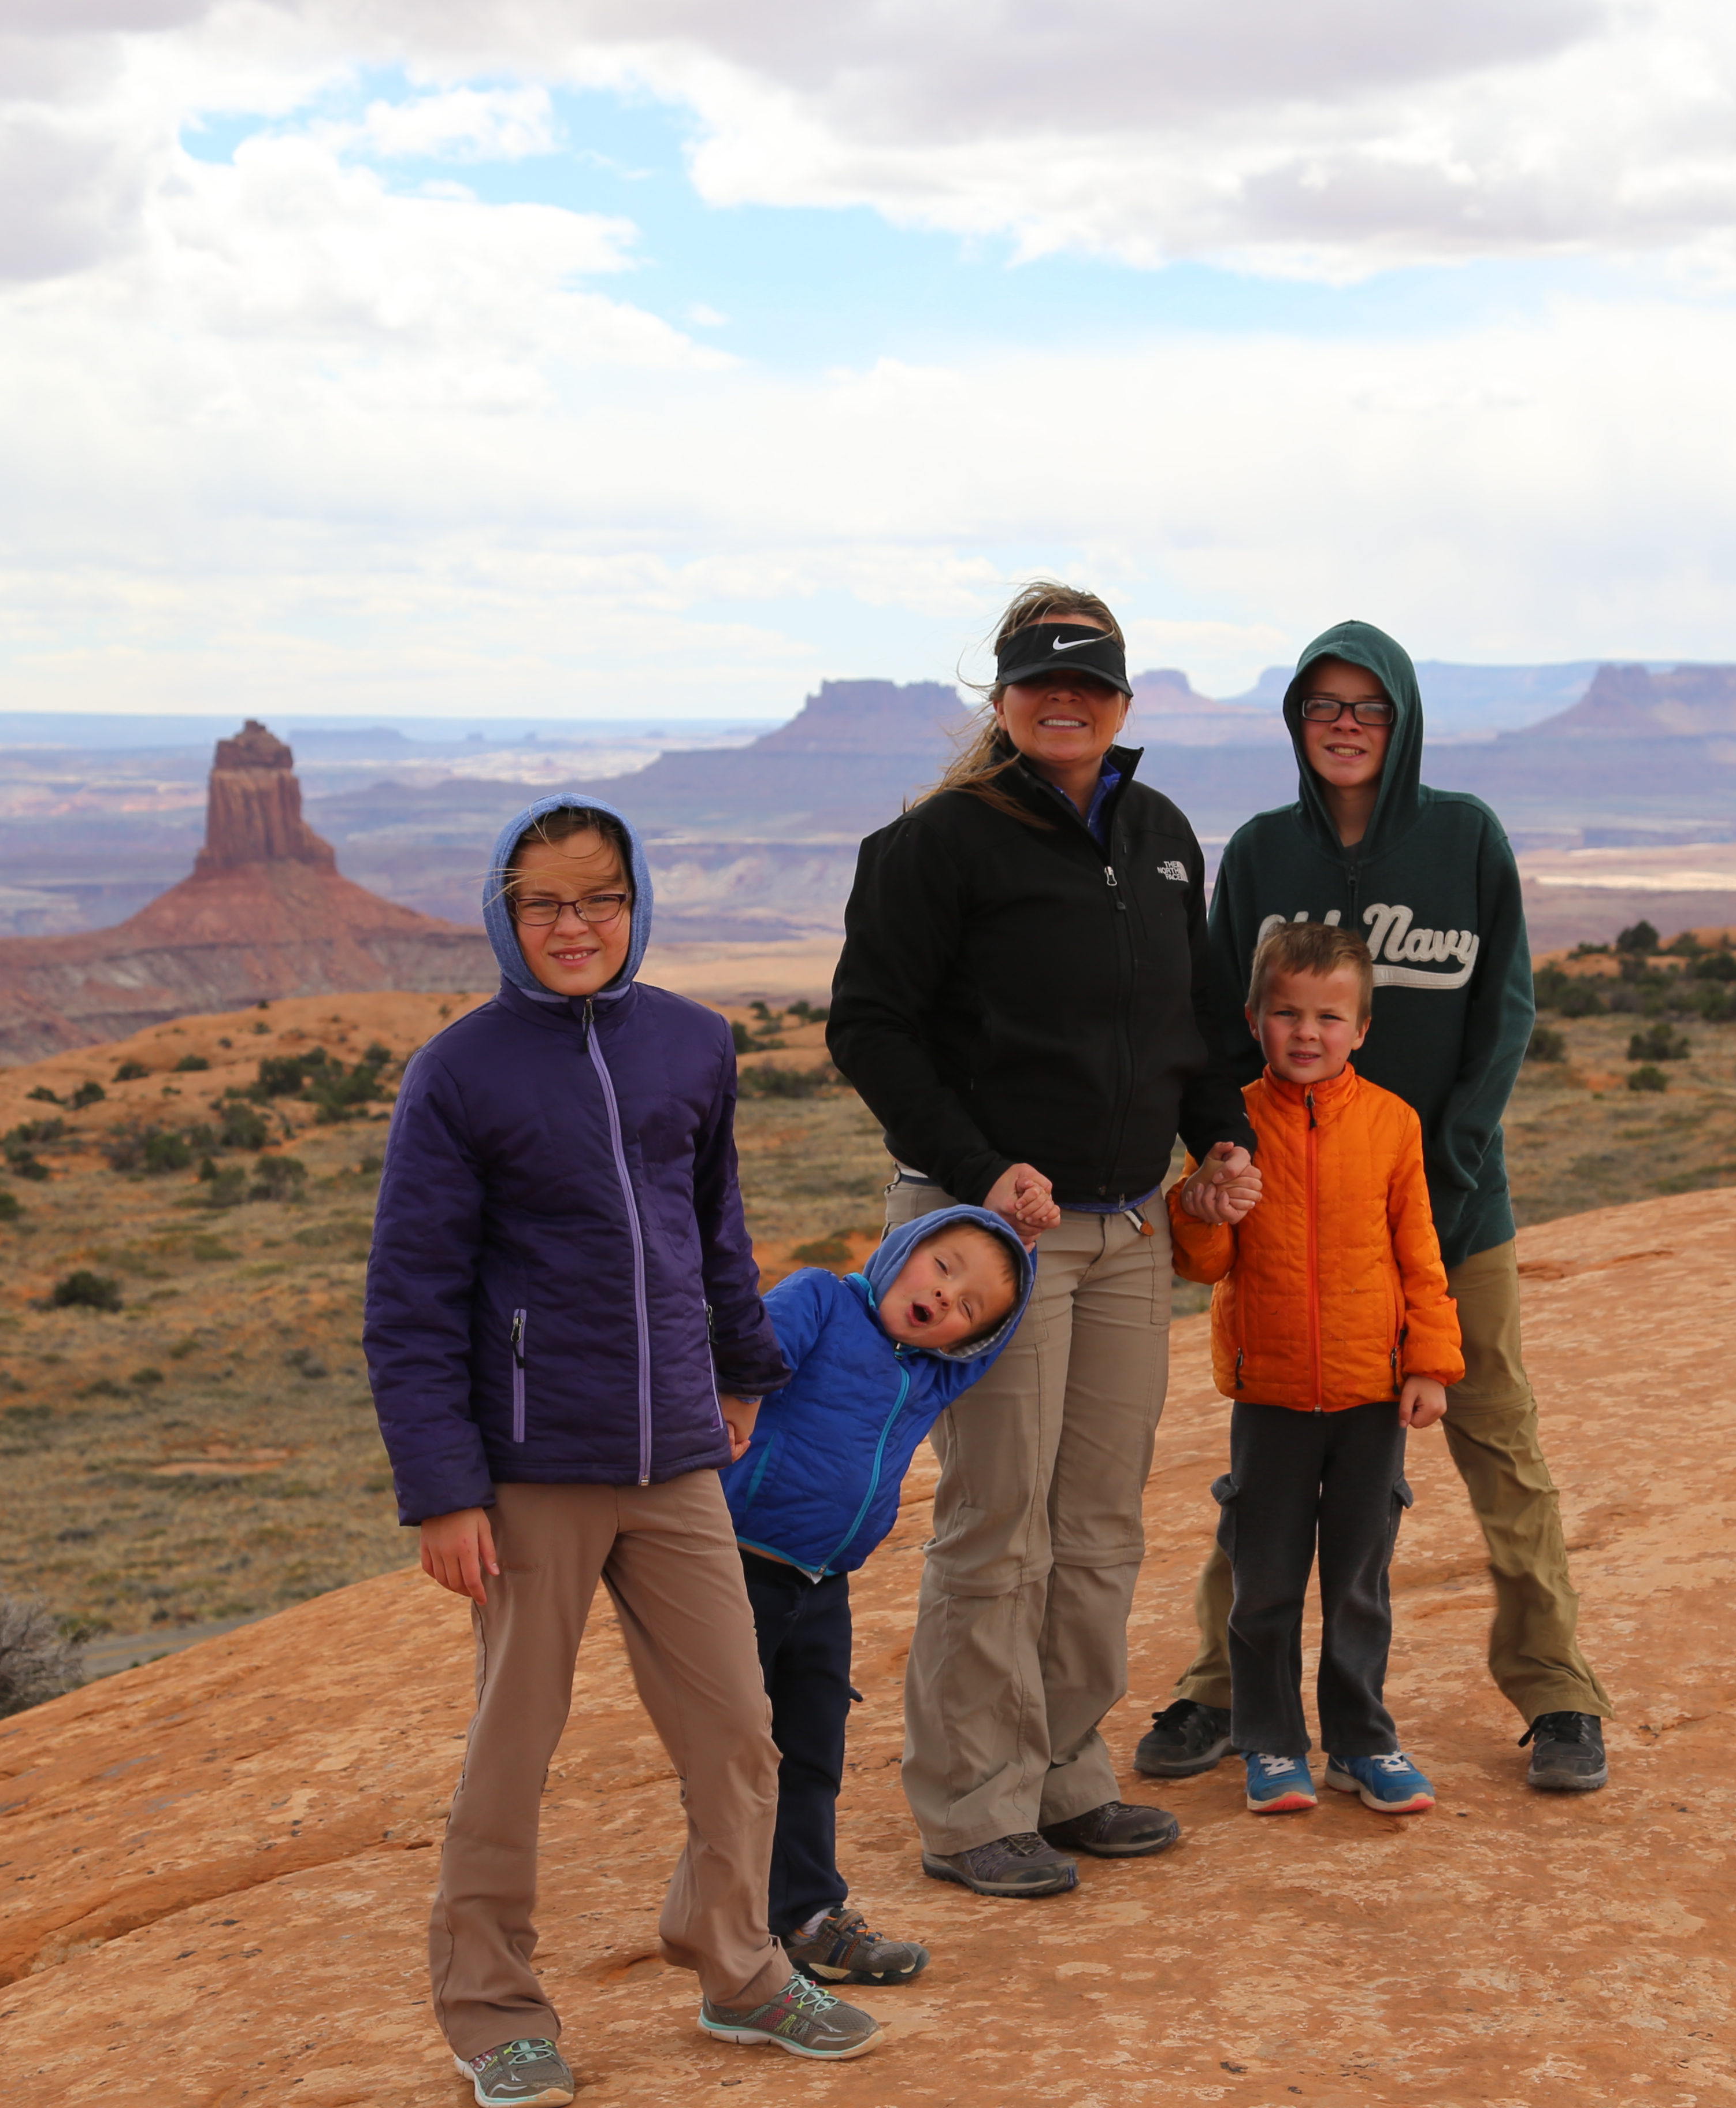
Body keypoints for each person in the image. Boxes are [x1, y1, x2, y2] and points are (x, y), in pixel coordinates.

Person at [366, 793, 880, 2107]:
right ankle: (496, 2015)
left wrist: (744, 1370)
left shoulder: (691, 1046)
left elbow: (713, 1230)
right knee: (510, 1751)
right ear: (504, 913)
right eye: (545, 902)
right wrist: (443, 1491)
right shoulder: (461, 1072)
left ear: (637, 904)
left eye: (600, 898)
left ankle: (740, 1968)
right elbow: (412, 1293)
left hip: (674, 1460)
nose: (575, 924)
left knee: (738, 1731)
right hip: (534, 1466)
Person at [826, 580, 1264, 1900]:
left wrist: (1221, 1135)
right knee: (998, 1519)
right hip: (992, 1240)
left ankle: (1067, 1774)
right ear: (1004, 700)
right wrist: (977, 1171)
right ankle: (971, 1809)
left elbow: (1192, 1019)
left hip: (1130, 1227)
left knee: (1100, 1518)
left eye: (1091, 683)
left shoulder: (1162, 833)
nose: (1064, 702)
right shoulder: (940, 843)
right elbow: (871, 1027)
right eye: (1039, 682)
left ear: (1124, 702)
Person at [1134, 619, 1620, 1794]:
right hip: (1292, 1220)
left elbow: (1504, 1015)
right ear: (1297, 723)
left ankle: (1557, 1692)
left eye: (1369, 709)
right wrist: (1222, 1154)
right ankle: (1217, 1692)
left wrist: (1447, 1170)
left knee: (1499, 1445)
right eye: (1323, 708)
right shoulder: (1256, 855)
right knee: (1268, 1466)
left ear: (1402, 722)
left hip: (1452, 1211)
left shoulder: (1463, 839)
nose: (1346, 729)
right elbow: (1210, 1022)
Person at [1169, 920, 1466, 1817]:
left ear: (1363, 1028)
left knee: (1359, 1582)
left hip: (1371, 1394)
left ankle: (1362, 1745)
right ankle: (1269, 1745)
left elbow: (1420, 1252)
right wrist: (1202, 1200)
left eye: (1330, 1017)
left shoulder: (1391, 1124)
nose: (1308, 1033)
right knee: (1263, 1582)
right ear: (1254, 1017)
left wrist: (1430, 1365)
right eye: (1287, 1013)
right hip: (1270, 1397)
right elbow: (1206, 1265)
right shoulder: (1231, 1127)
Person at [721, 1204, 1035, 1984]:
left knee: (813, 1751)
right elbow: (744, 1353)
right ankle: (730, 1932)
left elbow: (992, 1338)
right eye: (942, 1267)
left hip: (822, 1586)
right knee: (733, 1755)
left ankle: (808, 1918)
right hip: (736, 1565)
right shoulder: (822, 1299)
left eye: (968, 1309)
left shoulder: (937, 1370)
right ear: (904, 1248)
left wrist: (1022, 1251)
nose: (945, 1297)